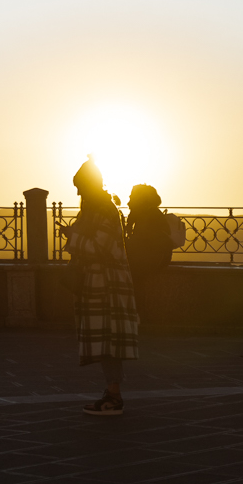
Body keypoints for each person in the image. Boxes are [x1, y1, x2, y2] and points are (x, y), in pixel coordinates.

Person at [63, 156, 139, 416]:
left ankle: (114, 397)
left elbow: (99, 247)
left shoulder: (104, 210)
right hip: (99, 284)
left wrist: (73, 237)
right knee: (108, 343)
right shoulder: (97, 210)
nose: (77, 192)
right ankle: (112, 393)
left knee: (108, 343)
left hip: (106, 286)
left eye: (80, 187)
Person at [124, 182, 177, 310]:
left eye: (132, 197)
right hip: (154, 256)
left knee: (131, 273)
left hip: (154, 258)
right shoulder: (146, 213)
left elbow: (142, 241)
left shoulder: (149, 214)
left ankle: (136, 311)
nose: (129, 201)